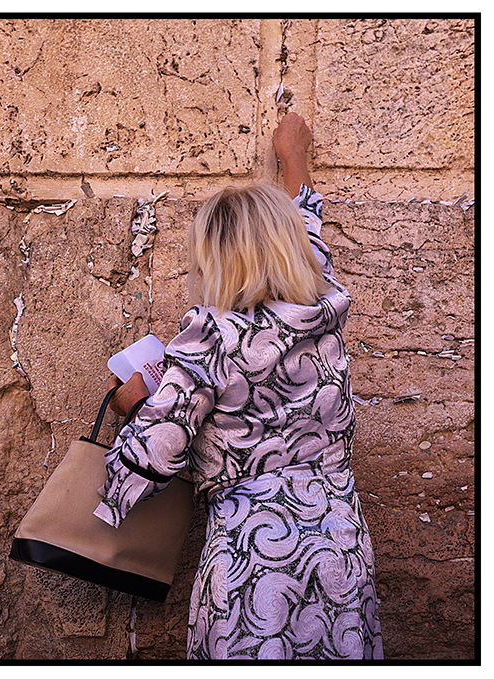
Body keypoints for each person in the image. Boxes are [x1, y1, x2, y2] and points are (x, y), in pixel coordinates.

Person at [93, 113, 384, 660]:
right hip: (341, 546)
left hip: (254, 560)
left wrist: (131, 404)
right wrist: (293, 156)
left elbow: (156, 455)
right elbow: (309, 230)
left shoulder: (211, 338)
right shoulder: (321, 313)